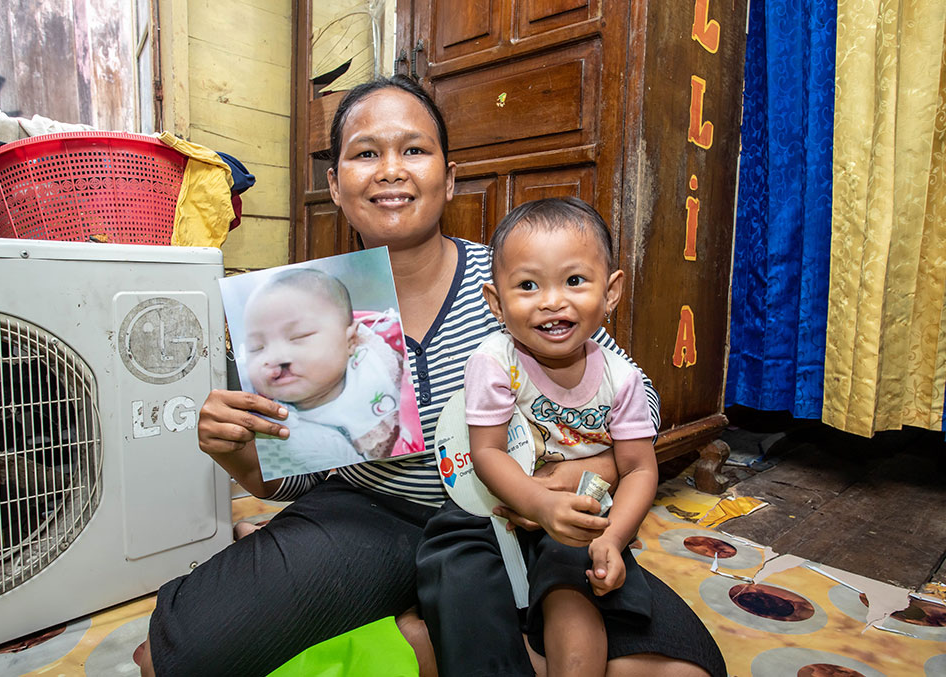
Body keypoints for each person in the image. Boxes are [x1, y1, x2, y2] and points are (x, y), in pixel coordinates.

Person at [134, 74, 725, 677]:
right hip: (371, 515)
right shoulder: (308, 306)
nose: (391, 170)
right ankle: (420, 622)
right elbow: (294, 480)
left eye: (414, 150)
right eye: (366, 153)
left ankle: (423, 629)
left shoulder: (515, 284)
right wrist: (236, 451)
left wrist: (577, 473)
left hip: (515, 518)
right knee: (170, 657)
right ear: (336, 185)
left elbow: (623, 403)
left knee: (679, 673)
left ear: (449, 177)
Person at [425, 196, 659, 677]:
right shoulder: (494, 363)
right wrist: (537, 503)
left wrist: (613, 538)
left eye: (574, 281)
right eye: (528, 285)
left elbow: (638, 467)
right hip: (497, 505)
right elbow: (486, 453)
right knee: (458, 572)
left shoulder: (623, 379)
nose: (553, 301)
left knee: (573, 586)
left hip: (581, 514)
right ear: (496, 303)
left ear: (610, 292)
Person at [242, 267, 403, 464]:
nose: (275, 356)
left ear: (351, 341)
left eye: (299, 336)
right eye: (256, 347)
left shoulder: (383, 361)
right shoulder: (268, 417)